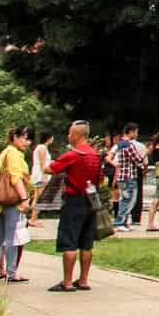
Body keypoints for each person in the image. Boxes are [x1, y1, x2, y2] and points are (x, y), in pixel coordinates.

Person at [46, 121, 104, 292]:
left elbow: (50, 170)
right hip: (91, 200)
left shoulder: (73, 155)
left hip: (73, 200)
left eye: (70, 133)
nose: (68, 136)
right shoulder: (95, 155)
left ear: (78, 135)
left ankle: (67, 282)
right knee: (87, 242)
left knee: (69, 240)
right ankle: (84, 280)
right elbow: (100, 179)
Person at [0, 125, 33, 283]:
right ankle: (12, 272)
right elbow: (15, 177)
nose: (27, 142)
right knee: (11, 237)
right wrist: (24, 198)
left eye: (29, 139)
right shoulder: (14, 154)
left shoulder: (5, 152)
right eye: (24, 138)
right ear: (15, 137)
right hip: (11, 201)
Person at [114, 123, 146, 230]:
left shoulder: (120, 144)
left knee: (126, 199)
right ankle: (119, 223)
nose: (136, 134)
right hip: (129, 176)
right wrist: (146, 152)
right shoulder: (129, 145)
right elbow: (138, 160)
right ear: (131, 132)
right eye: (136, 132)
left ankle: (123, 222)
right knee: (128, 200)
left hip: (122, 176)